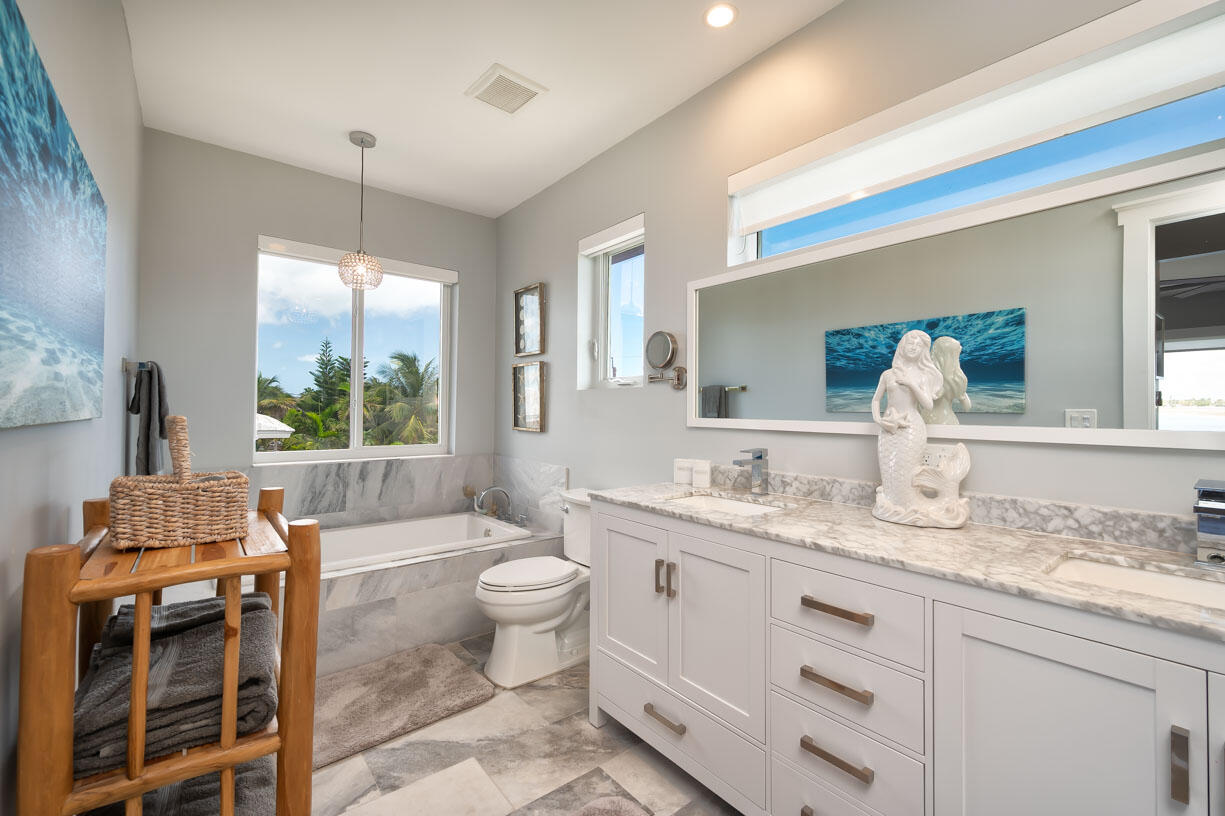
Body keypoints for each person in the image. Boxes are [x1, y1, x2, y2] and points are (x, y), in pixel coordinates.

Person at [871, 329, 942, 521]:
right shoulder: (888, 374)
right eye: (910, 343)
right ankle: (890, 507)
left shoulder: (922, 375)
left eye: (918, 345)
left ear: (923, 351)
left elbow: (928, 405)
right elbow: (876, 400)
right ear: (902, 346)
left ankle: (908, 510)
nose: (913, 347)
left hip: (911, 428)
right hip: (888, 428)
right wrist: (878, 420)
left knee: (906, 471)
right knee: (889, 470)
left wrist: (911, 383)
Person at [921, 336, 971, 425]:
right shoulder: (957, 378)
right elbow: (967, 407)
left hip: (924, 419)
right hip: (946, 419)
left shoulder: (925, 374)